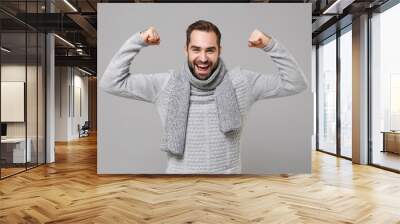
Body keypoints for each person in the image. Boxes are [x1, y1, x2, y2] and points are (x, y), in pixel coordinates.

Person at [100, 20, 308, 174]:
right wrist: (138, 41)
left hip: (228, 192)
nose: (203, 58)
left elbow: (296, 83)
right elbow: (110, 82)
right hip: (178, 192)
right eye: (196, 49)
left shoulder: (242, 82)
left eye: (210, 50)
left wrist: (269, 45)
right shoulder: (165, 85)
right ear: (186, 50)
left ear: (219, 51)